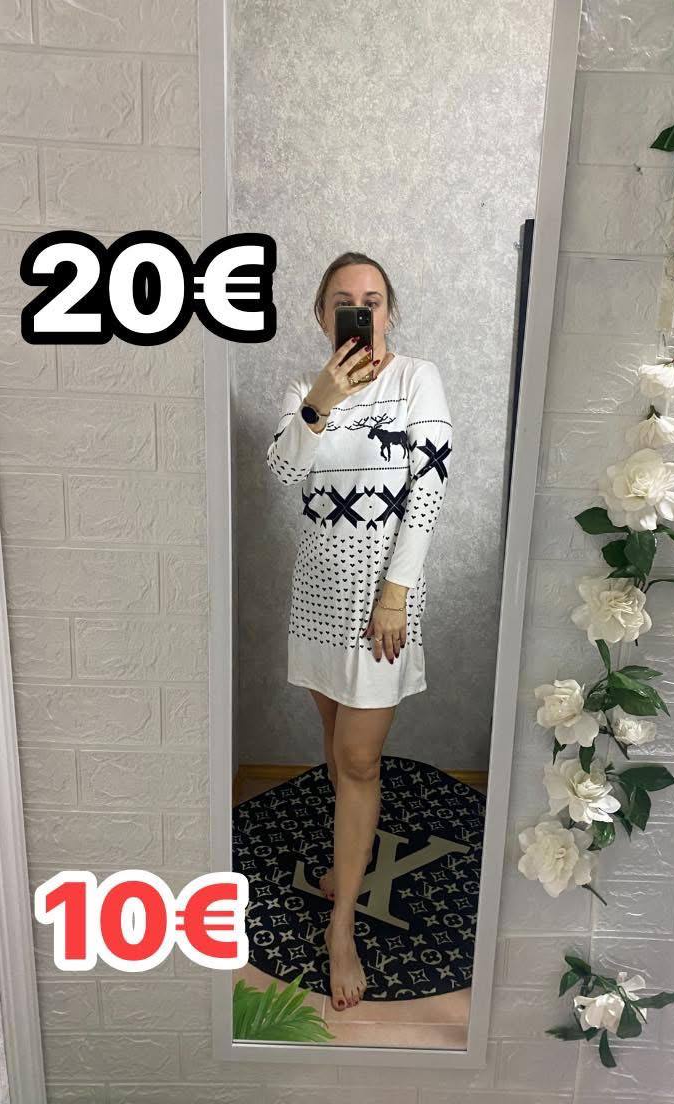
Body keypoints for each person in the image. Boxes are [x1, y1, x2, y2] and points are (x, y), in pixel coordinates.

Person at [265, 251, 453, 1013]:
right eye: (344, 300)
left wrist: (396, 595)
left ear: (388, 313)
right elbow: (284, 474)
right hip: (317, 598)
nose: (360, 311)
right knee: (336, 743)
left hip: (384, 602)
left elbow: (428, 492)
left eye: (372, 300)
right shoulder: (303, 393)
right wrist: (320, 401)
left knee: (359, 758)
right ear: (322, 315)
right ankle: (349, 864)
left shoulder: (417, 380)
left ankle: (340, 923)